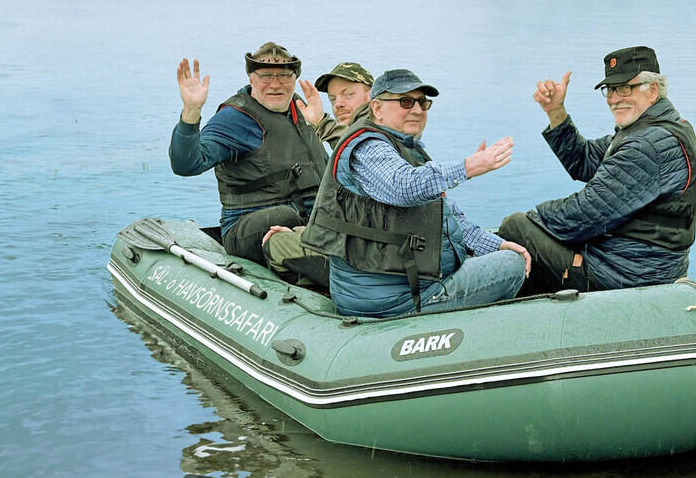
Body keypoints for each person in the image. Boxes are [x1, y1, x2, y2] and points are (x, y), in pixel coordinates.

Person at [301, 69, 531, 317]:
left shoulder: (402, 147)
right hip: (392, 299)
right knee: (511, 265)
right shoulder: (368, 148)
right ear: (377, 108)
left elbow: (444, 214)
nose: (417, 110)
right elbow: (403, 186)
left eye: (423, 103)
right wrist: (470, 166)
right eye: (405, 102)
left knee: (506, 253)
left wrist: (496, 244)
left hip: (403, 285)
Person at [498, 46, 696, 294]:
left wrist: (531, 222)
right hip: (639, 263)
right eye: (611, 89)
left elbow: (584, 214)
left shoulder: (646, 145)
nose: (615, 98)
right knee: (528, 230)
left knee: (515, 227)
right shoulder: (656, 128)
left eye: (626, 88)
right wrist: (555, 111)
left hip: (630, 274)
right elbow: (583, 160)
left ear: (653, 90)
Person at [169, 41, 330, 285]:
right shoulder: (236, 118)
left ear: (295, 79)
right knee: (283, 216)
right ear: (251, 78)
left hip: (311, 222)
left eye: (284, 76)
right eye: (266, 76)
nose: (275, 84)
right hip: (248, 229)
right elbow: (186, 164)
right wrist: (191, 110)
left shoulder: (302, 110)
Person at [260, 62, 375, 277]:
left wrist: (322, 123)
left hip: (369, 256)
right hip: (367, 244)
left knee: (274, 245)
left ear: (372, 96)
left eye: (348, 95)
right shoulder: (382, 130)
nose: (338, 104)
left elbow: (358, 147)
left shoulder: (371, 140)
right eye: (333, 99)